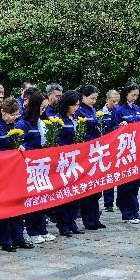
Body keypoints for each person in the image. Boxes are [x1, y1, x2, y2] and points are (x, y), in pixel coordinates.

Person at [0, 98, 34, 252]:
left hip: (15, 171)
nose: (14, 118)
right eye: (12, 115)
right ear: (3, 112)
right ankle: (6, 240)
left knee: (18, 205)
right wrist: (9, 154)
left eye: (16, 115)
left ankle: (19, 237)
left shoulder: (14, 125)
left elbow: (23, 141)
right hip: (2, 172)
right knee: (5, 207)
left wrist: (21, 147)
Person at [15, 91, 57, 245]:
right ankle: (33, 231)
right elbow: (20, 143)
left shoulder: (43, 121)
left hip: (43, 165)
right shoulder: (23, 122)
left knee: (43, 198)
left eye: (45, 107)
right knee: (33, 199)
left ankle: (42, 229)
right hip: (30, 165)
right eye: (41, 107)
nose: (43, 110)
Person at [112, 82, 140, 224]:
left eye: (137, 95)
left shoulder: (137, 108)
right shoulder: (118, 109)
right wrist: (119, 126)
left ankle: (134, 210)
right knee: (126, 182)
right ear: (126, 94)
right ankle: (126, 212)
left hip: (136, 149)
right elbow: (111, 128)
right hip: (123, 150)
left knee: (135, 181)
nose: (135, 98)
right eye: (133, 95)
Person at [53, 90, 85, 237]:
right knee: (64, 193)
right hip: (63, 160)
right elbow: (56, 139)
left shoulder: (77, 118)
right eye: (74, 105)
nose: (76, 108)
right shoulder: (58, 119)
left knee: (75, 193)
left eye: (78, 105)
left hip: (76, 160)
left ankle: (72, 221)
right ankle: (63, 223)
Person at [76, 85, 106, 230]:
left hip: (96, 151)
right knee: (87, 188)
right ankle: (88, 220)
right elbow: (80, 132)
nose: (94, 101)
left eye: (95, 98)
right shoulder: (79, 111)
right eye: (91, 98)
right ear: (84, 97)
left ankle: (95, 218)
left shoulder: (93, 110)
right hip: (86, 151)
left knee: (96, 188)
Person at [101, 89, 120, 212]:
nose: (116, 104)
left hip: (118, 146)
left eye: (118, 101)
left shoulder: (119, 112)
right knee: (108, 174)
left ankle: (121, 201)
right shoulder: (100, 113)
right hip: (105, 147)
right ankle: (108, 203)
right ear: (107, 100)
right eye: (113, 101)